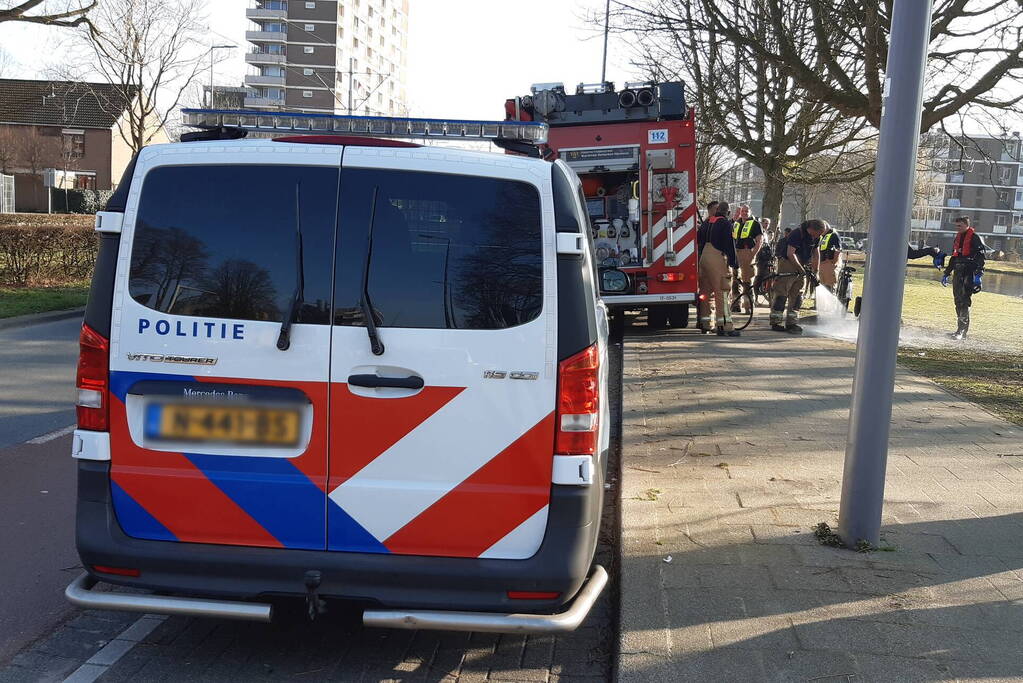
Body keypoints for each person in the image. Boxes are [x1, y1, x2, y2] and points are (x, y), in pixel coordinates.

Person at [771, 219, 826, 333]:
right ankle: (776, 322)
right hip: (787, 263)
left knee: (797, 296)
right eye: (819, 233)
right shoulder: (797, 233)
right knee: (782, 293)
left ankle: (792, 323)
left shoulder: (816, 237)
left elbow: (816, 253)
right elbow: (790, 253)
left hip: (802, 264)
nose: (820, 236)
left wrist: (816, 271)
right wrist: (800, 269)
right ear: (811, 229)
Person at [697, 201, 740, 336]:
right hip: (717, 257)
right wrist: (734, 263)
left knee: (706, 292)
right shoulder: (726, 224)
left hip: (703, 258)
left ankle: (705, 323)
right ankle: (725, 326)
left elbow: (698, 240)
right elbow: (729, 245)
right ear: (727, 212)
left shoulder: (706, 223)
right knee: (723, 292)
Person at [941, 216, 986, 340]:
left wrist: (978, 275)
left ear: (966, 225)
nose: (957, 228)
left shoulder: (975, 238)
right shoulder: (958, 238)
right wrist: (947, 273)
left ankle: (962, 331)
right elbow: (954, 256)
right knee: (957, 301)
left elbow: (981, 258)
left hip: (969, 272)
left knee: (964, 301)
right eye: (956, 226)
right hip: (958, 272)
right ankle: (959, 329)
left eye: (959, 226)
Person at [729, 204, 764, 312]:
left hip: (747, 252)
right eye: (742, 211)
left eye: (746, 211)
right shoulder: (736, 223)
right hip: (736, 252)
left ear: (750, 212)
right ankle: (736, 304)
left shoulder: (755, 224)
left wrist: (752, 254)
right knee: (735, 279)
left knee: (747, 280)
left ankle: (748, 306)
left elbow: (759, 241)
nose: (744, 213)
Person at [817, 223, 843, 292]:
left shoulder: (833, 235)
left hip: (829, 264)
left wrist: (833, 262)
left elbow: (838, 250)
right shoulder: (823, 236)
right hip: (823, 264)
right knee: (823, 284)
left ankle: (830, 301)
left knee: (829, 285)